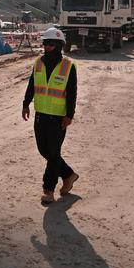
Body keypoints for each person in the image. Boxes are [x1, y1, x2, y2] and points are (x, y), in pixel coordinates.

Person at [21, 28, 78, 205]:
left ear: (60, 45)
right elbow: (32, 84)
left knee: (53, 153)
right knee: (43, 150)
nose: (47, 47)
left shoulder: (68, 66)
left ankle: (48, 190)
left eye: (51, 44)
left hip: (58, 117)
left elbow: (72, 92)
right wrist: (25, 103)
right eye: (45, 43)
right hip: (41, 114)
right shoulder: (38, 62)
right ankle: (68, 174)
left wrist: (69, 114)